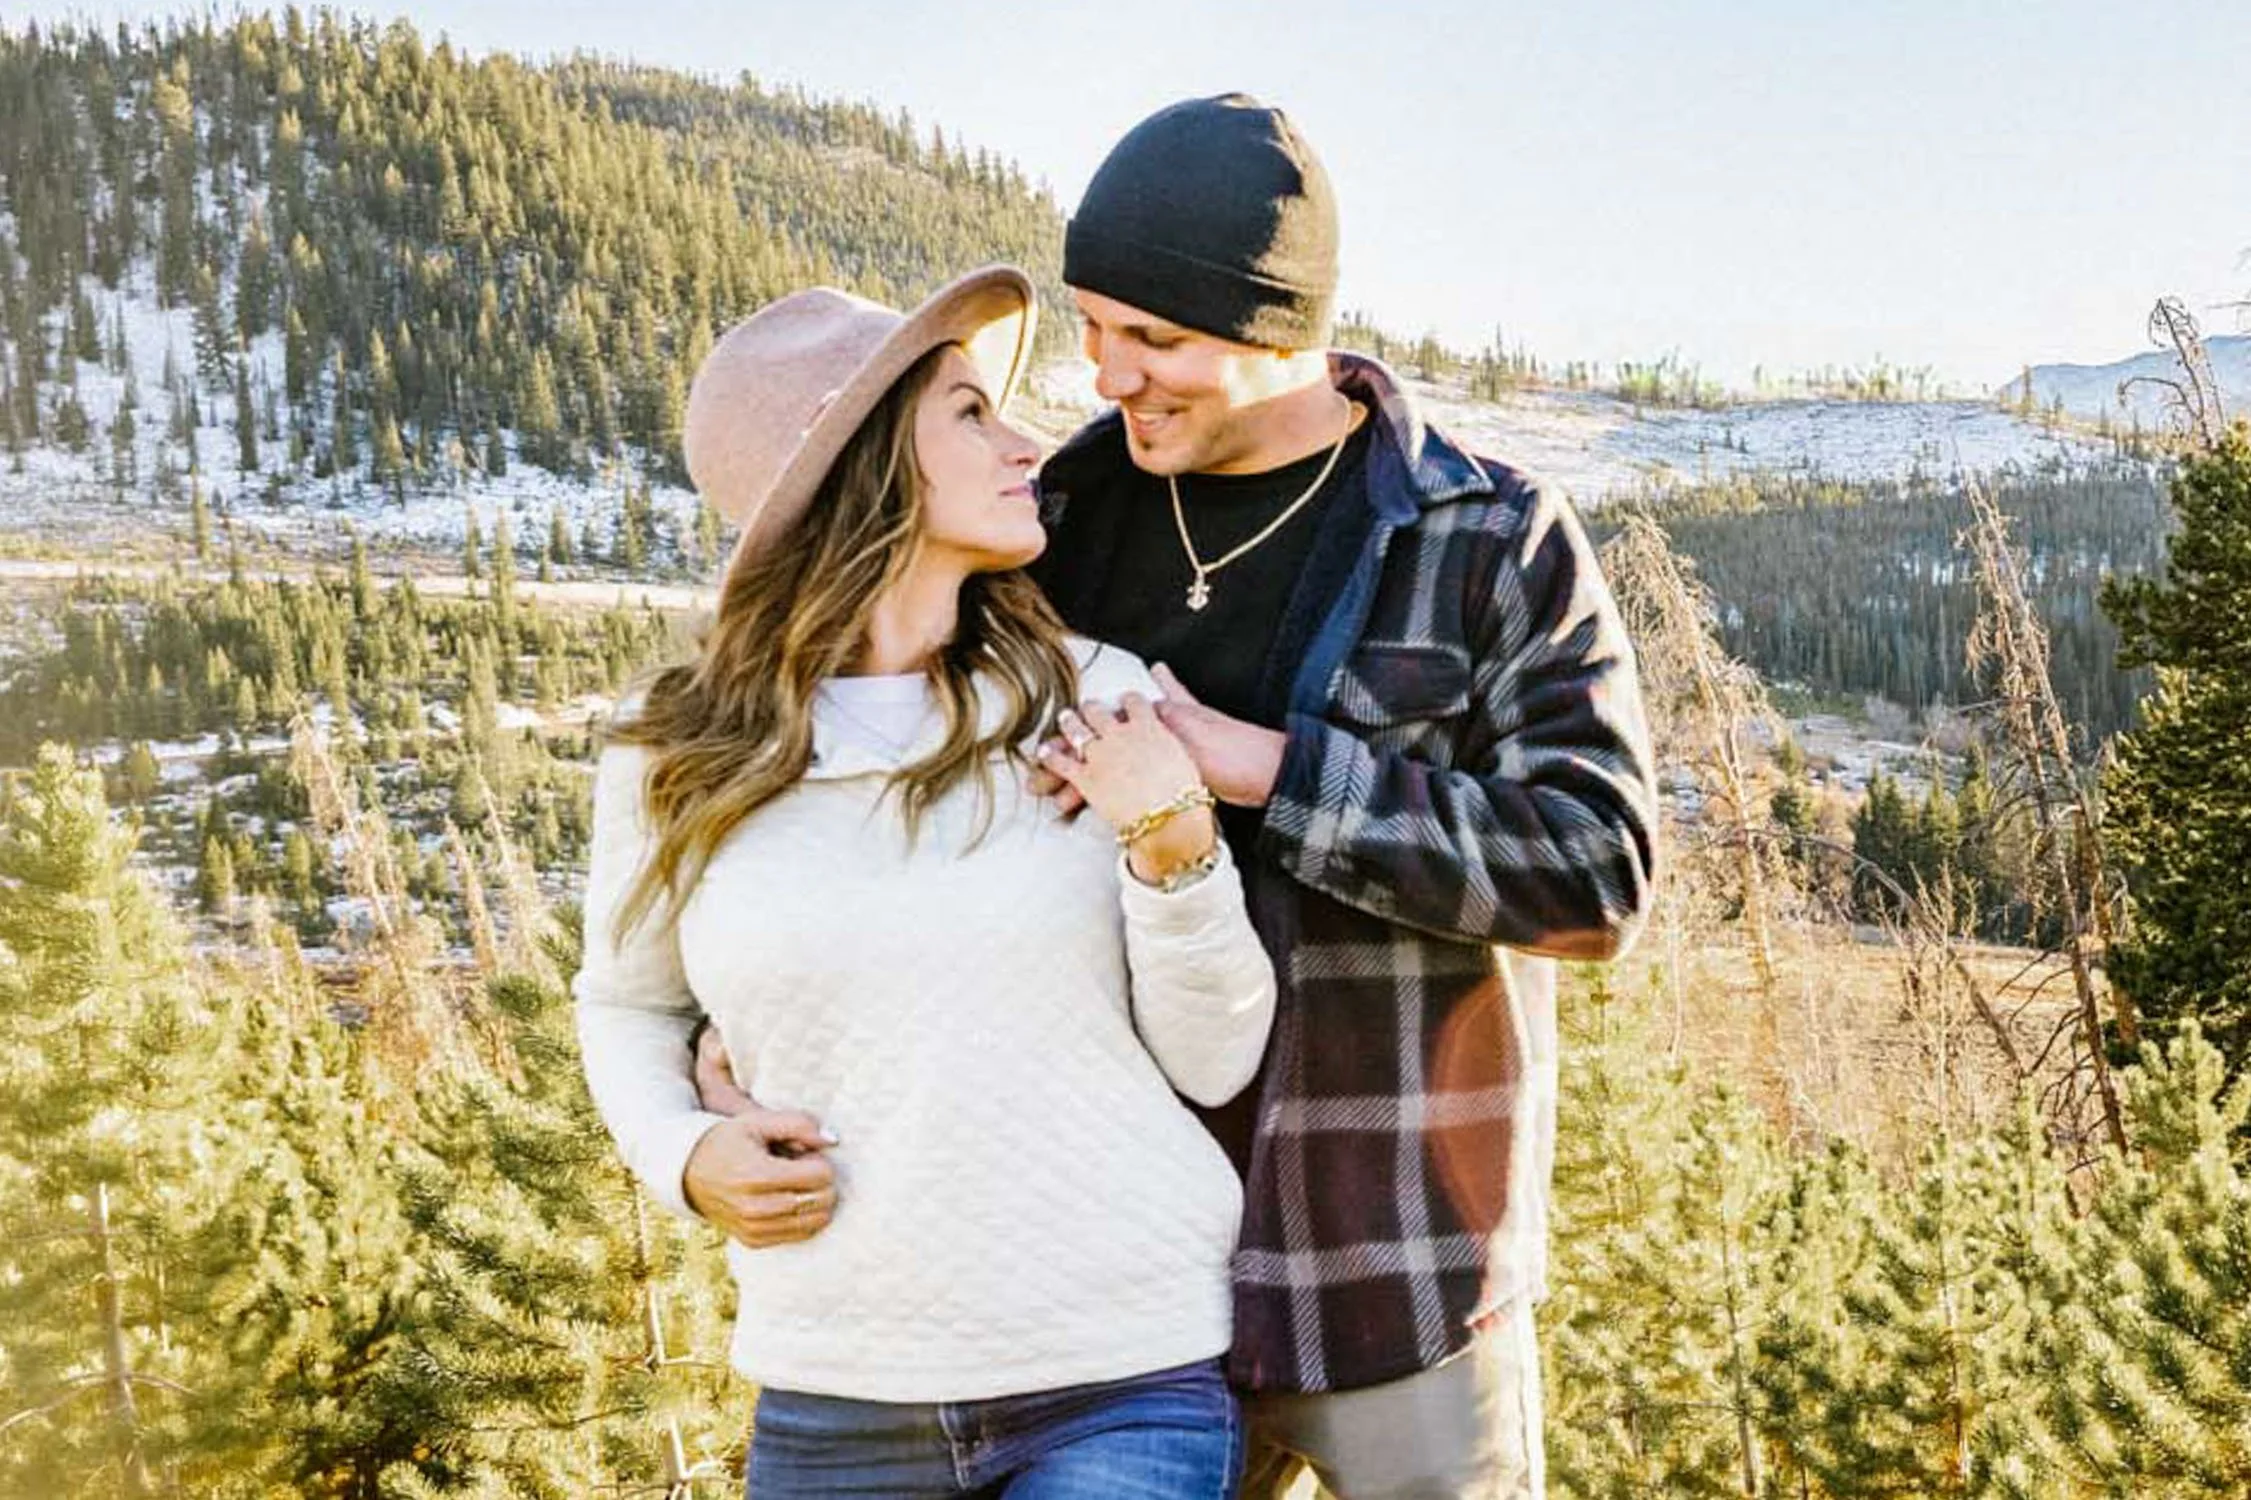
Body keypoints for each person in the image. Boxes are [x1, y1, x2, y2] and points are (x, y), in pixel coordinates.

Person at [1033, 95, 1658, 1498]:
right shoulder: (1051, 528)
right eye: (1089, 326)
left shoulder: (1490, 537)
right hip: (1117, 1281)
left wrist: (1266, 769)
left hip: (1395, 1268)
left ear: (1279, 329)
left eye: (1154, 339)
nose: (1105, 376)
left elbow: (1596, 871)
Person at [572, 265, 1279, 1499]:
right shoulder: (671, 751)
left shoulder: (1098, 697)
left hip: (1119, 1372)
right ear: (865, 475)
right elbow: (626, 1005)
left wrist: (1171, 842)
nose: (1026, 446)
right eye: (968, 413)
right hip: (835, 1390)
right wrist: (684, 1156)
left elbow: (1215, 1060)